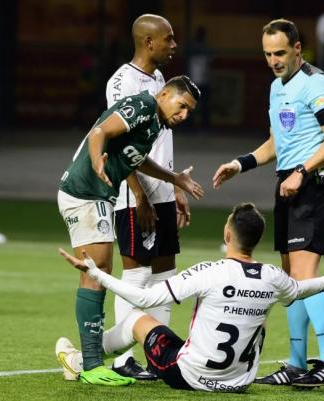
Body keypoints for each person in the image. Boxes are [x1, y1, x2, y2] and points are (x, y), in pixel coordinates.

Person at [57, 203, 324, 392]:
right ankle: (84, 359)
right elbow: (300, 289)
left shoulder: (209, 271)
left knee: (137, 317)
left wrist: (97, 274)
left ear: (228, 235)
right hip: (238, 383)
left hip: (189, 376)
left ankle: (80, 359)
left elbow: (144, 298)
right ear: (256, 240)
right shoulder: (273, 276)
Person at [212, 19, 324, 388]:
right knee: (290, 281)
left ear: (298, 48)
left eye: (280, 53)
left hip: (313, 185)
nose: (273, 60)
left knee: (305, 275)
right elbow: (276, 144)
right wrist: (240, 164)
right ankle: (296, 363)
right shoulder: (276, 88)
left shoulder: (316, 83)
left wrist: (302, 172)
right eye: (268, 54)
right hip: (288, 185)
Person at [56, 75, 204, 386]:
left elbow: (137, 159)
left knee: (100, 270)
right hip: (85, 192)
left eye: (189, 111)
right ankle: (92, 364)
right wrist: (97, 162)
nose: (184, 115)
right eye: (182, 106)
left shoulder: (155, 123)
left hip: (98, 195)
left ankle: (86, 361)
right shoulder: (142, 104)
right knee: (96, 272)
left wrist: (174, 178)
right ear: (164, 94)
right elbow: (100, 132)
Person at [103, 14, 190, 380]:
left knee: (165, 274)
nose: (174, 45)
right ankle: (121, 360)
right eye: (168, 39)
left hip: (163, 192)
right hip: (132, 195)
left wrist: (174, 187)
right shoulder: (121, 82)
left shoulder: (158, 81)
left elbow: (159, 139)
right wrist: (139, 195)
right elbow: (118, 142)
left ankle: (158, 355)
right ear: (148, 42)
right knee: (136, 277)